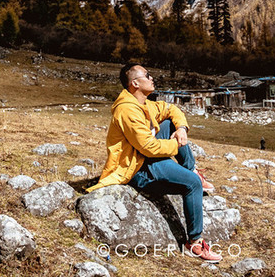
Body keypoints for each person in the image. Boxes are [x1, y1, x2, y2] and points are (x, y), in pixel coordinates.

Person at [89, 63, 221, 262]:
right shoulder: (127, 110)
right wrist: (176, 144)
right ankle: (194, 243)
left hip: (148, 157)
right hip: (137, 167)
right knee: (191, 184)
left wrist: (182, 128)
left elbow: (171, 109)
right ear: (135, 83)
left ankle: (191, 169)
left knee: (170, 123)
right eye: (147, 75)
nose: (152, 78)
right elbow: (148, 148)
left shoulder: (144, 104)